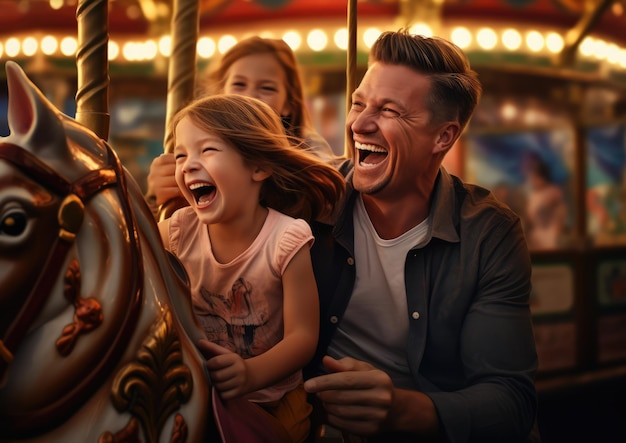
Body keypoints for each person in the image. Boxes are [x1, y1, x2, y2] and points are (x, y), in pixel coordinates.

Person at [303, 30, 539, 443]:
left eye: (390, 111)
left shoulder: (490, 234)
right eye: (358, 104)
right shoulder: (310, 196)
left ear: (443, 136)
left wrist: (399, 409)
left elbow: (509, 400)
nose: (359, 123)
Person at [157, 94, 345, 442]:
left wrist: (249, 374)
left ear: (258, 167)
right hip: (196, 389)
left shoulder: (286, 240)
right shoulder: (176, 233)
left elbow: (303, 337)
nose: (187, 165)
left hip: (272, 398)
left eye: (207, 150)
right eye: (181, 155)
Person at [147, 36, 339, 216]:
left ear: (288, 103)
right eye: (239, 84)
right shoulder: (194, 152)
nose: (249, 96)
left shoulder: (309, 151)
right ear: (220, 94)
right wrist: (157, 197)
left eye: (267, 88)